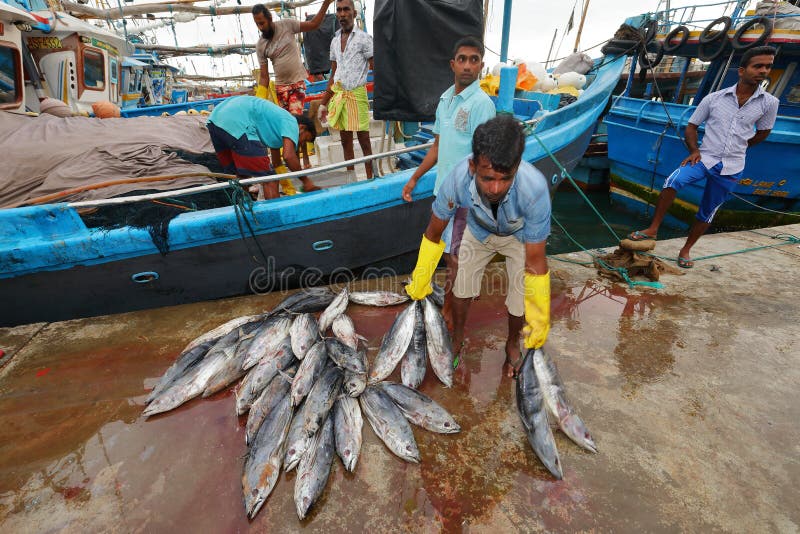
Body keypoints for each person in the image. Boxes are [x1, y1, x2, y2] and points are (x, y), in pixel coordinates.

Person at [404, 116, 552, 378]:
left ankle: (511, 344)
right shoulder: (457, 179)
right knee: (461, 288)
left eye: (505, 178)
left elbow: (536, 260)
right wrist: (421, 278)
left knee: (520, 301)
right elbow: (434, 231)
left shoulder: (535, 189)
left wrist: (540, 315)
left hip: (518, 237)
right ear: (473, 166)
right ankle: (458, 337)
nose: (495, 188)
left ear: (517, 166)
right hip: (479, 230)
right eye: (487, 178)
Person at [628, 46, 779, 268]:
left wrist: (741, 146)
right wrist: (694, 151)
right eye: (758, 66)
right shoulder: (714, 99)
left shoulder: (769, 103)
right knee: (673, 181)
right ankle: (653, 229)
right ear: (742, 70)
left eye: (768, 67)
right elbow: (691, 126)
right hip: (704, 158)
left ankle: (686, 250)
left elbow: (763, 132)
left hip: (732, 166)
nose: (763, 71)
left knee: (708, 210)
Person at [401, 36, 496, 327]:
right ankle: (429, 290)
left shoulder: (482, 105)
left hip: (467, 194)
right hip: (443, 190)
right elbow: (437, 146)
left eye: (474, 59)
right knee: (441, 247)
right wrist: (415, 178)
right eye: (463, 59)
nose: (468, 65)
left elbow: (486, 158)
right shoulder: (445, 100)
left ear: (481, 65)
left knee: (457, 256)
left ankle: (450, 315)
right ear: (452, 64)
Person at [207, 96, 318, 199]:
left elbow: (277, 163)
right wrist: (306, 181)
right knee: (270, 179)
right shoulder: (291, 121)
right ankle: (274, 218)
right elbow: (288, 156)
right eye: (305, 139)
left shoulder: (276, 126)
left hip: (215, 120)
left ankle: (246, 210)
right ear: (302, 127)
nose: (302, 143)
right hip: (237, 121)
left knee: (241, 175)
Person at [318, 0, 374, 179]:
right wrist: (323, 103)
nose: (342, 14)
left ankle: (371, 177)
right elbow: (334, 74)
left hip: (357, 94)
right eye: (339, 10)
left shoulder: (364, 38)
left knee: (364, 140)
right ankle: (352, 180)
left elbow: (376, 67)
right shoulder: (334, 41)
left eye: (346, 10)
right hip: (340, 95)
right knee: (345, 141)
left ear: (354, 13)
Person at [252, 1, 333, 115]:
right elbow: (264, 77)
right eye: (257, 24)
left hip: (297, 84)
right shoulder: (261, 45)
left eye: (262, 23)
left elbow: (314, 24)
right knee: (286, 123)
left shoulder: (287, 25)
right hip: (280, 88)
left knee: (295, 118)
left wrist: (326, 4)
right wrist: (258, 102)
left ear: (270, 18)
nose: (260, 27)